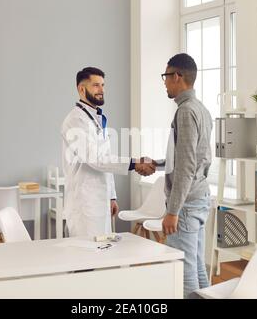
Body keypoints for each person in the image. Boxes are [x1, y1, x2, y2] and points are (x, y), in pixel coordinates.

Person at [61, 67, 155, 237]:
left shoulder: (96, 118)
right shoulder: (75, 120)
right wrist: (134, 162)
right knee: (87, 256)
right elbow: (96, 159)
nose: (102, 90)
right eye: (96, 85)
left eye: (103, 85)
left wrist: (111, 196)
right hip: (84, 203)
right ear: (81, 89)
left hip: (100, 199)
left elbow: (106, 159)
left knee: (103, 252)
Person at [158, 54, 213, 298]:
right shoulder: (201, 109)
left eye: (166, 77)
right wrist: (157, 164)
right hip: (199, 199)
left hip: (187, 205)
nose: (164, 83)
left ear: (177, 77)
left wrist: (173, 211)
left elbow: (187, 166)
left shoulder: (185, 112)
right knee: (198, 266)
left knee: (183, 272)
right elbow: (191, 158)